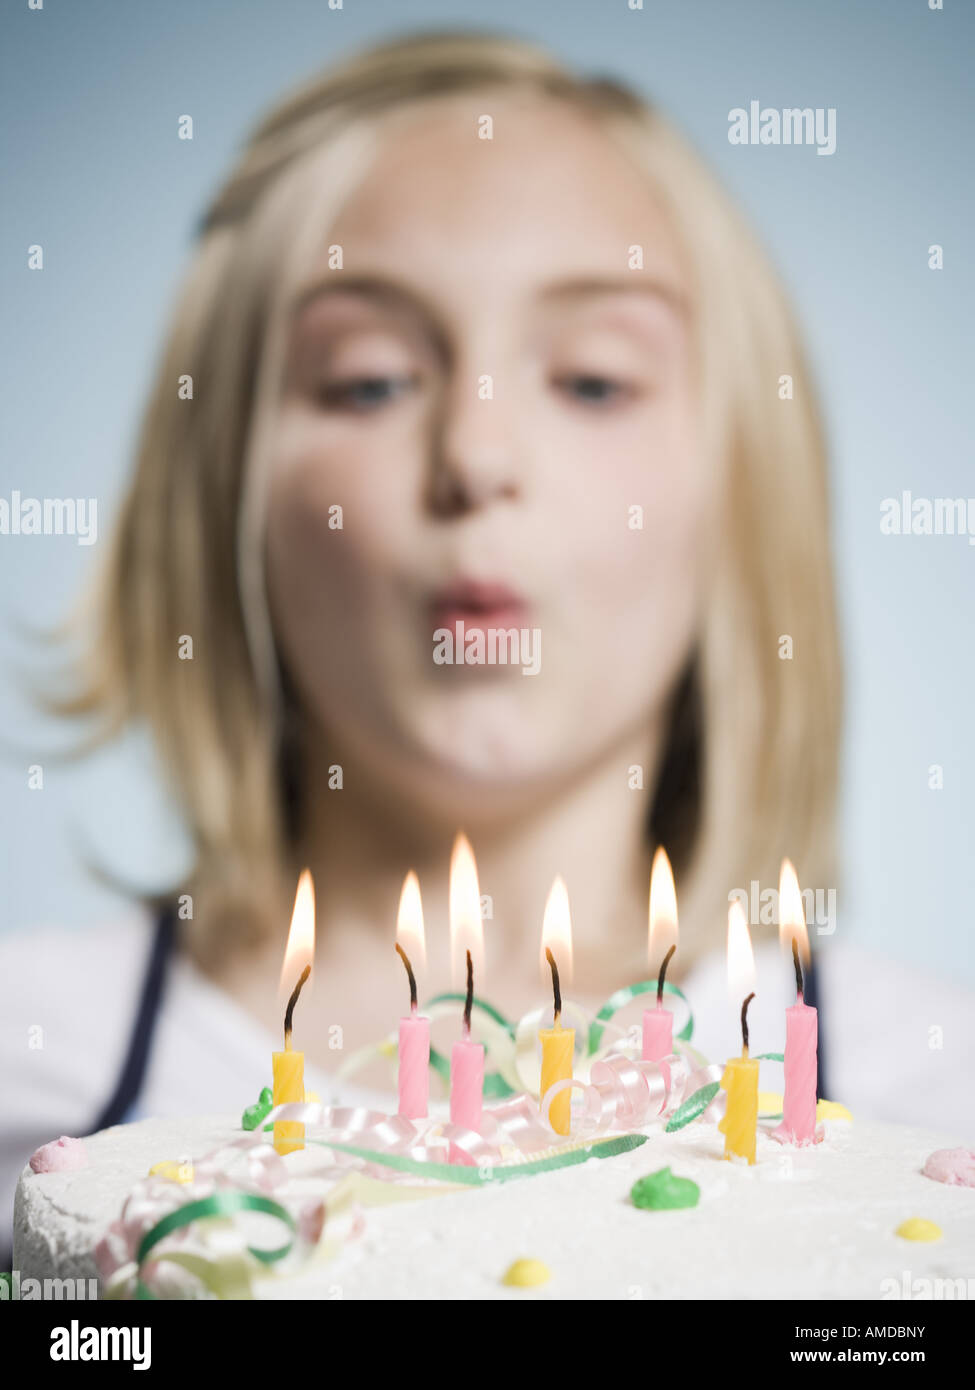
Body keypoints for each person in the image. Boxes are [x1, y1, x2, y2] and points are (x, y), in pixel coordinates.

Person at [3, 32, 969, 1262]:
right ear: (224, 494)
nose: (475, 452)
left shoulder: (938, 1101)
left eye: (593, 379)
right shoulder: (31, 1067)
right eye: (370, 380)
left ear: (744, 493)